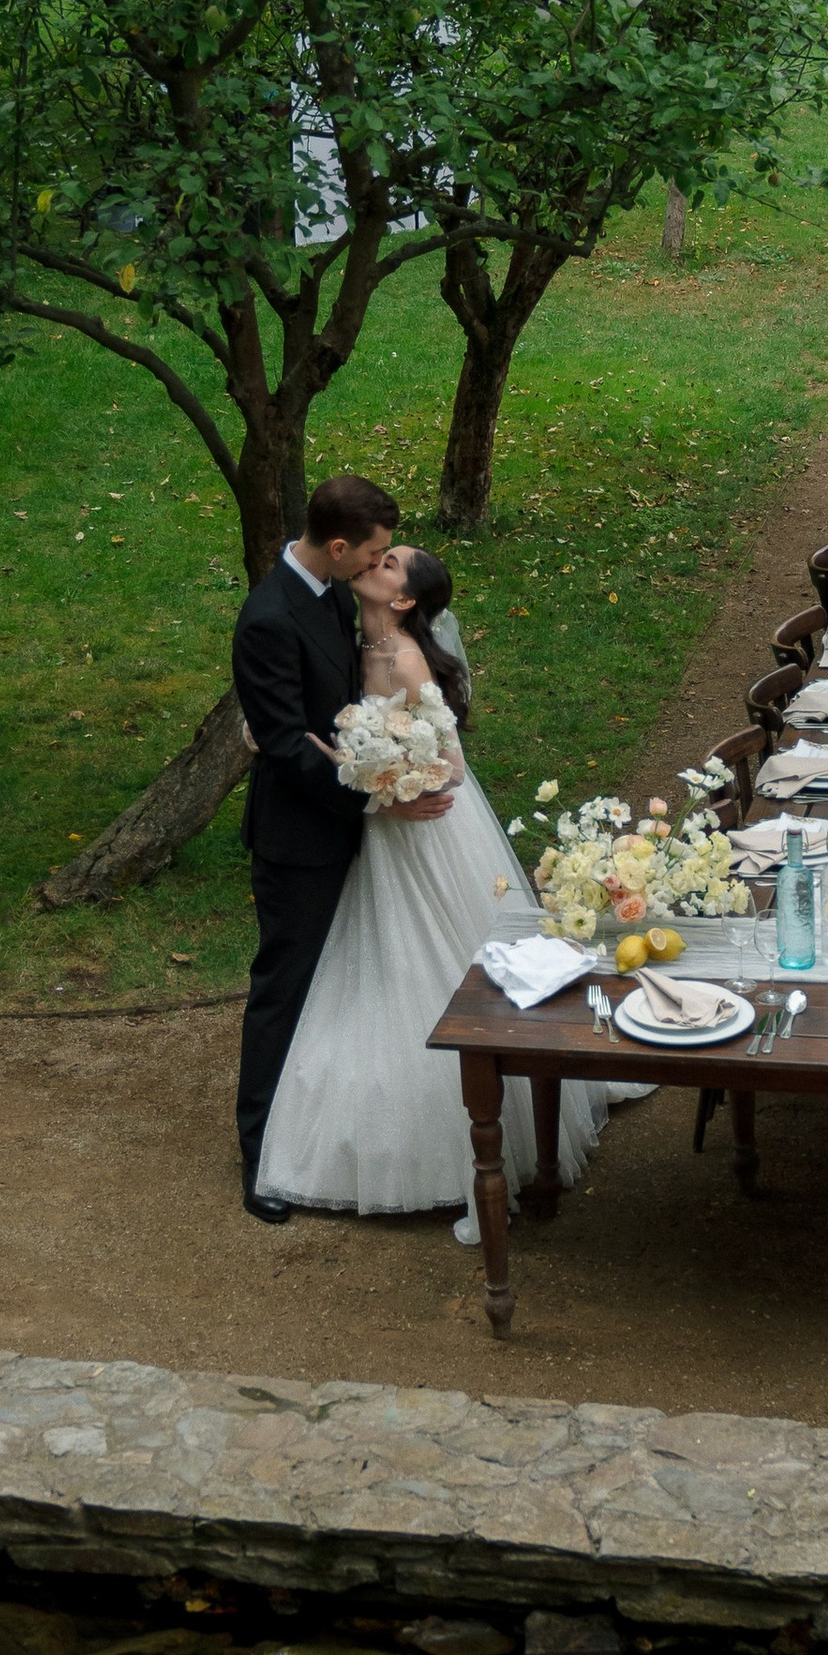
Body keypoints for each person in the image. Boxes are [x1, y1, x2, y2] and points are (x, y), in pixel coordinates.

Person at [254, 541, 617, 1224]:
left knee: (447, 963)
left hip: (422, 832)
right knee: (376, 961)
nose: (374, 562)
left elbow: (449, 762)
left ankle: (477, 1142)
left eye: (390, 564)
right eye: (379, 554)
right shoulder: (343, 632)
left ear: (405, 599)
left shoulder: (407, 659)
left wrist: (395, 784)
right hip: (376, 834)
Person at [231, 475, 404, 1221]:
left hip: (350, 823)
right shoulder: (267, 619)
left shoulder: (335, 593)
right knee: (286, 987)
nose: (377, 565)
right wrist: (376, 790)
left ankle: (320, 1135)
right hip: (299, 838)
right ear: (338, 547)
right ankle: (261, 1153)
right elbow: (283, 745)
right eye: (373, 553)